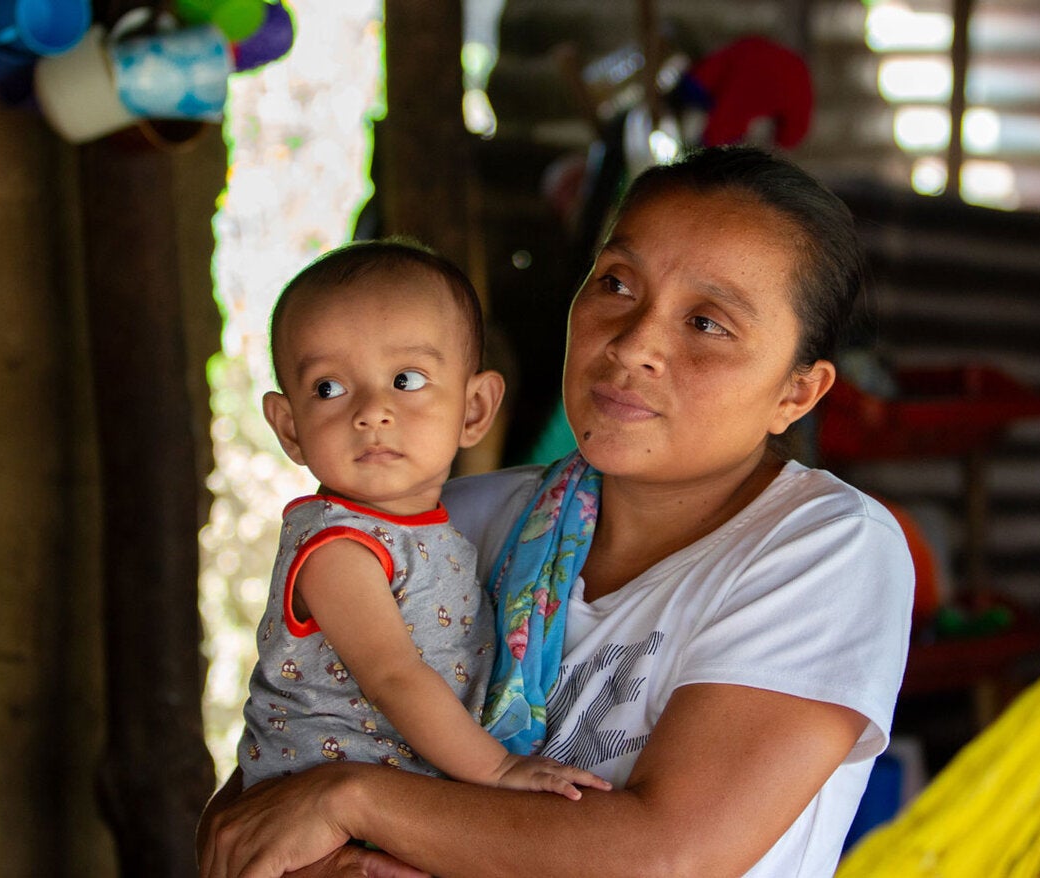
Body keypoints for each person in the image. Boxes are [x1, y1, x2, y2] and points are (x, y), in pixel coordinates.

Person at [200, 146, 915, 877]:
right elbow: (249, 814)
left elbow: (666, 858)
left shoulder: (827, 549)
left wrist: (353, 802)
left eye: (707, 323)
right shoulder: (452, 524)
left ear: (796, 393)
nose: (633, 344)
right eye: (616, 283)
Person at [238, 239, 611, 800]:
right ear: (290, 427)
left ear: (475, 409)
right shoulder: (338, 549)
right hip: (323, 813)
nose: (372, 412)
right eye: (329, 388)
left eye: (406, 380)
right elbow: (395, 678)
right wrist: (498, 770)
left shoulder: (444, 526)